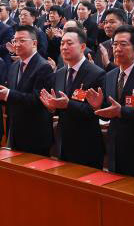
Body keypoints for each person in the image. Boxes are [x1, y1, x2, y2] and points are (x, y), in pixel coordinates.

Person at [86, 26, 134, 180]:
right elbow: (109, 112)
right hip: (114, 146)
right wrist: (98, 106)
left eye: (123, 44)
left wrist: (121, 111)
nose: (117, 49)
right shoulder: (110, 75)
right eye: (114, 44)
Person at [41, 27, 105, 168]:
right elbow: (59, 107)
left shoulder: (97, 73)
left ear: (82, 46)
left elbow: (96, 110)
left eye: (69, 43)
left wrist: (68, 104)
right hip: (63, 142)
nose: (64, 47)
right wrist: (52, 108)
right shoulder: (59, 73)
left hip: (86, 144)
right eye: (62, 43)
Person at [0, 25, 53, 155]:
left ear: (34, 43)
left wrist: (8, 94)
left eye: (22, 40)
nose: (16, 44)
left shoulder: (44, 67)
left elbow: (38, 100)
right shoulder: (14, 65)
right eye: (15, 40)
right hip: (15, 129)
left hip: (35, 132)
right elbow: (11, 97)